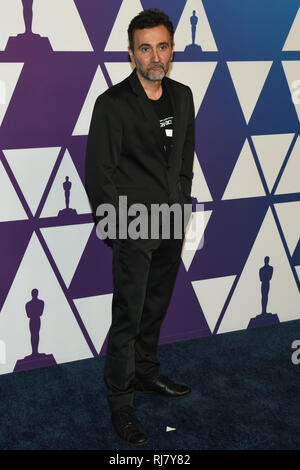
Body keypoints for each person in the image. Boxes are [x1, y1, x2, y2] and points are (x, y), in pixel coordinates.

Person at [85, 8, 195, 446]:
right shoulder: (111, 104)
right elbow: (99, 174)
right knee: (128, 316)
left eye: (162, 46)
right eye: (145, 47)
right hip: (132, 224)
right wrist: (120, 228)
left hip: (171, 222)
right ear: (131, 54)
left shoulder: (183, 95)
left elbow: (185, 156)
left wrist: (181, 206)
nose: (155, 55)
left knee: (155, 306)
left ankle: (147, 374)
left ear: (172, 50)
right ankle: (120, 402)